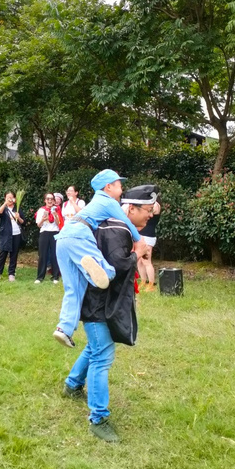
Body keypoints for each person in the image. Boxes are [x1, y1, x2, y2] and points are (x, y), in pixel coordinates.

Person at [62, 185, 156, 442]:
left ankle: (72, 384)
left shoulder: (111, 224)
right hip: (99, 303)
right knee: (102, 355)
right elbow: (113, 268)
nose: (150, 215)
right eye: (147, 210)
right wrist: (137, 254)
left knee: (96, 347)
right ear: (130, 208)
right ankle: (98, 418)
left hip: (98, 302)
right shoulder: (117, 229)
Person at [53, 170, 144, 348]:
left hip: (63, 238)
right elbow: (126, 222)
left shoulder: (95, 202)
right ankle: (103, 272)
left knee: (74, 288)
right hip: (80, 234)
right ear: (108, 187)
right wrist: (139, 241)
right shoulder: (108, 201)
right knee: (108, 273)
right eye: (119, 185)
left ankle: (64, 328)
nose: (122, 190)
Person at [0, 191, 25, 282]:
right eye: (8, 197)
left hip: (16, 234)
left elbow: (23, 222)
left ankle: (11, 273)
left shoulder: (17, 209)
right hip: (5, 235)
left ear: (15, 199)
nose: (10, 199)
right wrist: (5, 204)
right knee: (2, 254)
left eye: (12, 197)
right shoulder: (4, 209)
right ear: (5, 198)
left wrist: (19, 217)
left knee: (14, 255)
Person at [35, 193, 62, 284]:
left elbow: (59, 224)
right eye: (48, 199)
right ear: (45, 200)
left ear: (54, 201)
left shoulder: (57, 209)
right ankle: (40, 277)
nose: (50, 201)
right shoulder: (41, 210)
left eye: (51, 199)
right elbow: (39, 225)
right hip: (44, 232)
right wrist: (43, 219)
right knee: (43, 255)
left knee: (55, 254)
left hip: (55, 232)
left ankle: (55, 276)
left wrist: (55, 215)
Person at [137, 199, 161, 292]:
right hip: (141, 235)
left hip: (148, 235)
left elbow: (150, 211)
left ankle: (152, 284)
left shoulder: (156, 205)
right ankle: (144, 281)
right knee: (139, 261)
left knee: (146, 260)